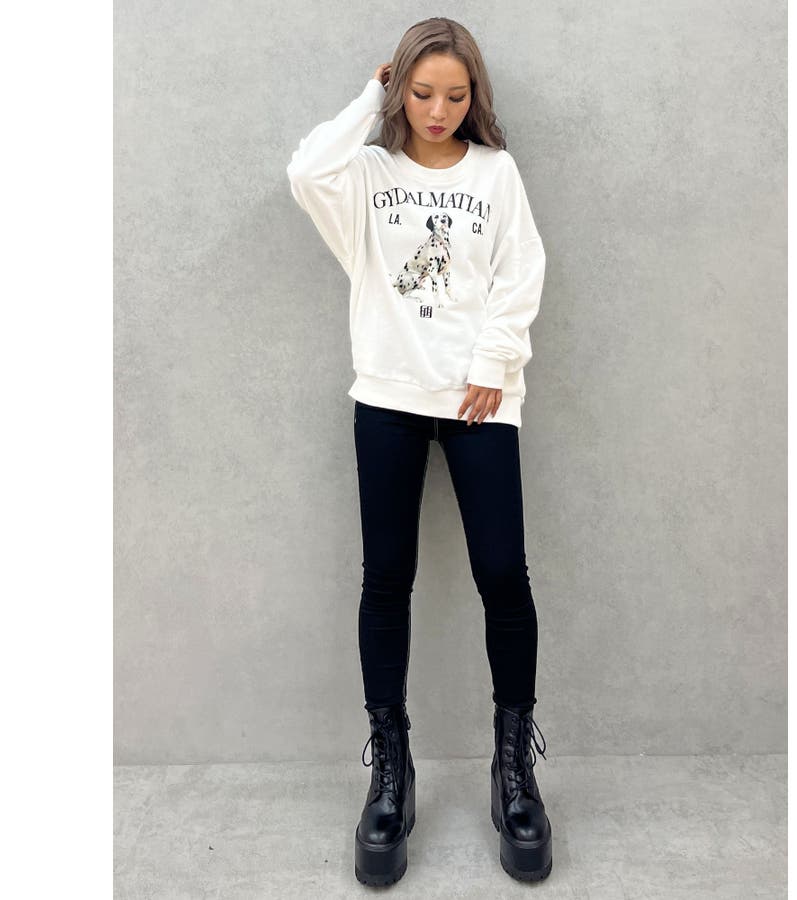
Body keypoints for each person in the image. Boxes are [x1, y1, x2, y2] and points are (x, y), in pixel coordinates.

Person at [286, 16, 552, 886]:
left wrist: (493, 364)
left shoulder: (496, 173)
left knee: (503, 575)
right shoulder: (365, 175)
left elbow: (521, 271)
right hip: (389, 399)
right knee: (386, 578)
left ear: (475, 97)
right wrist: (370, 97)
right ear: (401, 89)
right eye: (421, 92)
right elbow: (305, 171)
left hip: (480, 402)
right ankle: (391, 770)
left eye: (456, 95)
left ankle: (513, 766)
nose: (438, 110)